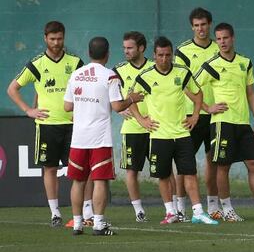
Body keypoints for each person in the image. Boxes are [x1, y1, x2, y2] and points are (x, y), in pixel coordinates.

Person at [196, 23, 254, 222]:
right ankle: (227, 210)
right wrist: (207, 108)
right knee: (223, 166)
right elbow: (189, 86)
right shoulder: (211, 64)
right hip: (222, 123)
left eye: (225, 38)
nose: (222, 42)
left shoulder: (245, 62)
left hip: (243, 123)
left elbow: (251, 93)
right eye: (218, 39)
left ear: (233, 38)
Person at [132, 36, 218, 225]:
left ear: (172, 55)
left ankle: (198, 212)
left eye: (168, 55)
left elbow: (198, 94)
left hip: (181, 133)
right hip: (159, 135)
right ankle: (170, 212)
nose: (164, 59)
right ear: (154, 55)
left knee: (189, 173)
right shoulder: (145, 77)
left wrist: (195, 115)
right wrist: (141, 120)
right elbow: (132, 99)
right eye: (160, 55)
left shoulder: (182, 72)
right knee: (163, 175)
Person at [64, 37, 144, 236]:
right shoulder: (110, 76)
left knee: (78, 181)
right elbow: (118, 107)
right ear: (107, 54)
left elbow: (67, 107)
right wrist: (131, 99)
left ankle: (77, 224)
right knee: (100, 180)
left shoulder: (76, 75)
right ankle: (99, 224)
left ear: (89, 53)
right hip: (99, 138)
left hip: (79, 138)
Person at [7, 21, 84, 227]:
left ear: (64, 37)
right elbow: (12, 89)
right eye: (52, 39)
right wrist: (29, 110)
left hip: (73, 126)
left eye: (59, 38)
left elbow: (87, 88)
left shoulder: (76, 63)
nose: (56, 43)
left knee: (79, 170)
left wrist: (82, 112)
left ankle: (85, 212)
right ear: (45, 38)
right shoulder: (37, 64)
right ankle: (55, 213)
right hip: (48, 126)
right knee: (49, 169)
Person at [174, 7, 221, 220]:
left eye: (203, 24)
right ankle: (180, 207)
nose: (200, 29)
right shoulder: (182, 51)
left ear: (209, 24)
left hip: (217, 115)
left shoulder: (220, 47)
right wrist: (203, 107)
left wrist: (212, 109)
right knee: (184, 163)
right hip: (189, 115)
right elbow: (182, 84)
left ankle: (213, 206)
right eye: (196, 25)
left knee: (213, 161)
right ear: (191, 27)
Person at [112, 31, 154, 222]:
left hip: (156, 127)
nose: (126, 51)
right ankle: (139, 211)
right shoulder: (118, 71)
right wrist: (119, 110)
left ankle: (175, 209)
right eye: (124, 48)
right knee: (131, 171)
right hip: (131, 130)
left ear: (141, 48)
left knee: (165, 171)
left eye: (130, 48)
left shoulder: (156, 68)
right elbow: (108, 97)